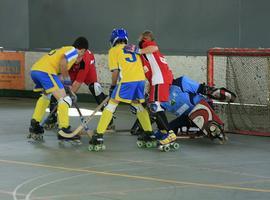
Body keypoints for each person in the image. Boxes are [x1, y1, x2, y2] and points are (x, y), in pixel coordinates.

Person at [88, 28, 158, 151]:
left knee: (111, 106)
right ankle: (149, 134)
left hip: (127, 81)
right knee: (139, 106)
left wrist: (113, 86)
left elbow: (115, 72)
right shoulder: (132, 48)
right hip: (140, 81)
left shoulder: (113, 51)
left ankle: (98, 135)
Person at [44, 37, 114, 130]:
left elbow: (77, 84)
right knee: (58, 86)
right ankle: (52, 116)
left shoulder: (86, 60)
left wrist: (68, 98)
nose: (77, 58)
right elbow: (60, 73)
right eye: (75, 56)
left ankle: (108, 117)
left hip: (87, 69)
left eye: (79, 56)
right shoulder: (69, 53)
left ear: (83, 52)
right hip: (72, 69)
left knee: (95, 88)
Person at [28, 38, 88, 141]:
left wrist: (65, 86)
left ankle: (35, 125)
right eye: (83, 54)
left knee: (46, 96)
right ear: (82, 50)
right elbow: (63, 64)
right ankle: (64, 130)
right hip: (46, 72)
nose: (81, 57)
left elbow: (59, 74)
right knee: (65, 100)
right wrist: (68, 83)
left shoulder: (63, 49)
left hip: (36, 71)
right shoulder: (74, 51)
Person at [124, 30, 177, 147]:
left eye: (141, 38)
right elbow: (149, 72)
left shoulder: (147, 45)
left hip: (160, 79)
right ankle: (163, 131)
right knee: (153, 106)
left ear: (146, 38)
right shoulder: (147, 56)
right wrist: (149, 90)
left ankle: (169, 133)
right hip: (158, 80)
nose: (139, 40)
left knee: (154, 106)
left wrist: (138, 50)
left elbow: (154, 47)